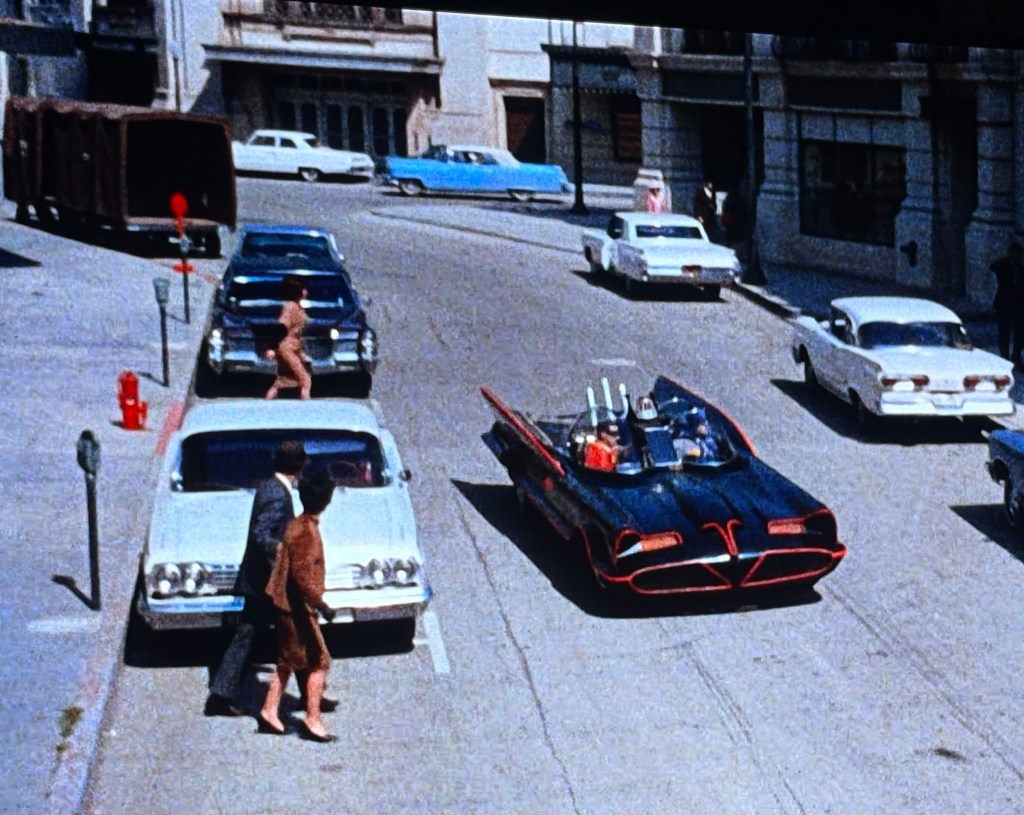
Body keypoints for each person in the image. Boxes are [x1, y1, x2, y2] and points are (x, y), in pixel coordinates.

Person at [205, 441, 309, 717]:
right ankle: (311, 696)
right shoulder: (277, 494)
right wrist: (283, 552)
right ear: (297, 469)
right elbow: (262, 534)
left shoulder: (268, 486)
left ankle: (219, 695)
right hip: (269, 583)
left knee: (250, 636)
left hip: (257, 581)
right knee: (295, 633)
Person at [261, 463, 338, 742]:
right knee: (319, 661)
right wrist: (321, 604)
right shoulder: (307, 533)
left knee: (288, 661)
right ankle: (312, 718)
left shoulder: (295, 524)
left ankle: (270, 710)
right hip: (298, 609)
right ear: (325, 501)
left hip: (285, 606)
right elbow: (302, 575)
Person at [264, 275, 311, 401]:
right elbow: (282, 328)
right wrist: (272, 347)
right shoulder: (290, 307)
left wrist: (301, 354)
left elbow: (296, 335)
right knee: (305, 380)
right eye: (303, 289)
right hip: (286, 349)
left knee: (283, 380)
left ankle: (268, 400)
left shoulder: (297, 307)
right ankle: (308, 408)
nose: (306, 291)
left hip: (292, 347)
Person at [990, 241, 1024, 363]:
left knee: (1019, 333)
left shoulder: (1020, 268)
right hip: (1004, 304)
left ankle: (1016, 356)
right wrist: (1005, 258)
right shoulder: (1002, 266)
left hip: (1018, 305)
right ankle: (1004, 357)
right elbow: (992, 266)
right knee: (1004, 332)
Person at [692, 177, 720, 243]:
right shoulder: (700, 192)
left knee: (710, 231)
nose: (711, 185)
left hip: (710, 216)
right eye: (710, 183)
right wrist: (698, 215)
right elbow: (697, 205)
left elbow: (714, 204)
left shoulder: (713, 193)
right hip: (702, 215)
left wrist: (714, 207)